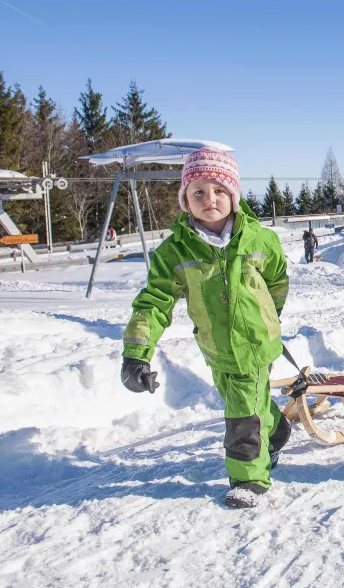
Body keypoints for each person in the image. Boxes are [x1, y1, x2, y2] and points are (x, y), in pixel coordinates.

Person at [119, 148, 291, 509]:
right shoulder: (175, 252)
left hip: (258, 343)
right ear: (185, 199)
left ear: (233, 196)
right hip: (215, 347)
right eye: (198, 192)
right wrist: (136, 354)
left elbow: (277, 280)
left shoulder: (259, 240)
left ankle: (249, 477)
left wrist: (270, 316)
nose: (209, 199)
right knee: (246, 399)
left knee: (243, 412)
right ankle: (276, 429)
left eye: (219, 191)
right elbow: (154, 302)